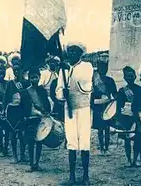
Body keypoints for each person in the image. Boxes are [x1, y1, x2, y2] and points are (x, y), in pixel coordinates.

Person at [56, 42, 94, 185]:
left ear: (80, 53)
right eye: (70, 51)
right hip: (69, 108)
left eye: (75, 51)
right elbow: (59, 89)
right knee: (71, 141)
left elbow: (86, 84)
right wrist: (62, 94)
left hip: (83, 108)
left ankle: (85, 175)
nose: (72, 53)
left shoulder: (87, 67)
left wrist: (70, 74)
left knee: (84, 141)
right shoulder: (63, 70)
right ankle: (72, 175)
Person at [21, 66, 51, 172]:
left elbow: (46, 103)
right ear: (29, 79)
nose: (34, 79)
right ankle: (31, 164)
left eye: (36, 77)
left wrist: (47, 112)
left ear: (39, 77)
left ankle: (36, 163)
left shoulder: (42, 90)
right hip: (30, 119)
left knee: (39, 141)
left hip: (41, 119)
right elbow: (23, 107)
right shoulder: (25, 92)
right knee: (30, 143)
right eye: (32, 78)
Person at [116, 66, 141, 167]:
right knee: (127, 140)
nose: (130, 78)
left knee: (137, 139)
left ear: (135, 76)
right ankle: (129, 160)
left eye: (132, 76)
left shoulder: (140, 90)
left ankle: (135, 159)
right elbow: (119, 106)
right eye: (128, 76)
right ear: (125, 78)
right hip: (126, 118)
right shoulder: (122, 91)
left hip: (136, 117)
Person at [3, 53, 27, 163]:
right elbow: (6, 98)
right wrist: (4, 110)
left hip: (22, 110)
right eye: (15, 71)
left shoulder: (26, 83)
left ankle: (22, 155)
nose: (17, 73)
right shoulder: (10, 84)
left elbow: (27, 97)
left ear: (22, 71)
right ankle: (15, 156)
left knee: (22, 134)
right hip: (12, 111)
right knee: (12, 134)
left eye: (19, 70)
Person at [91, 61, 117, 155]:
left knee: (107, 127)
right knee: (100, 128)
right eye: (101, 68)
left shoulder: (110, 80)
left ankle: (106, 147)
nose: (103, 70)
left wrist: (114, 99)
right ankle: (102, 147)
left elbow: (114, 93)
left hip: (107, 106)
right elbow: (91, 94)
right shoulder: (94, 80)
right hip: (98, 106)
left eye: (105, 68)